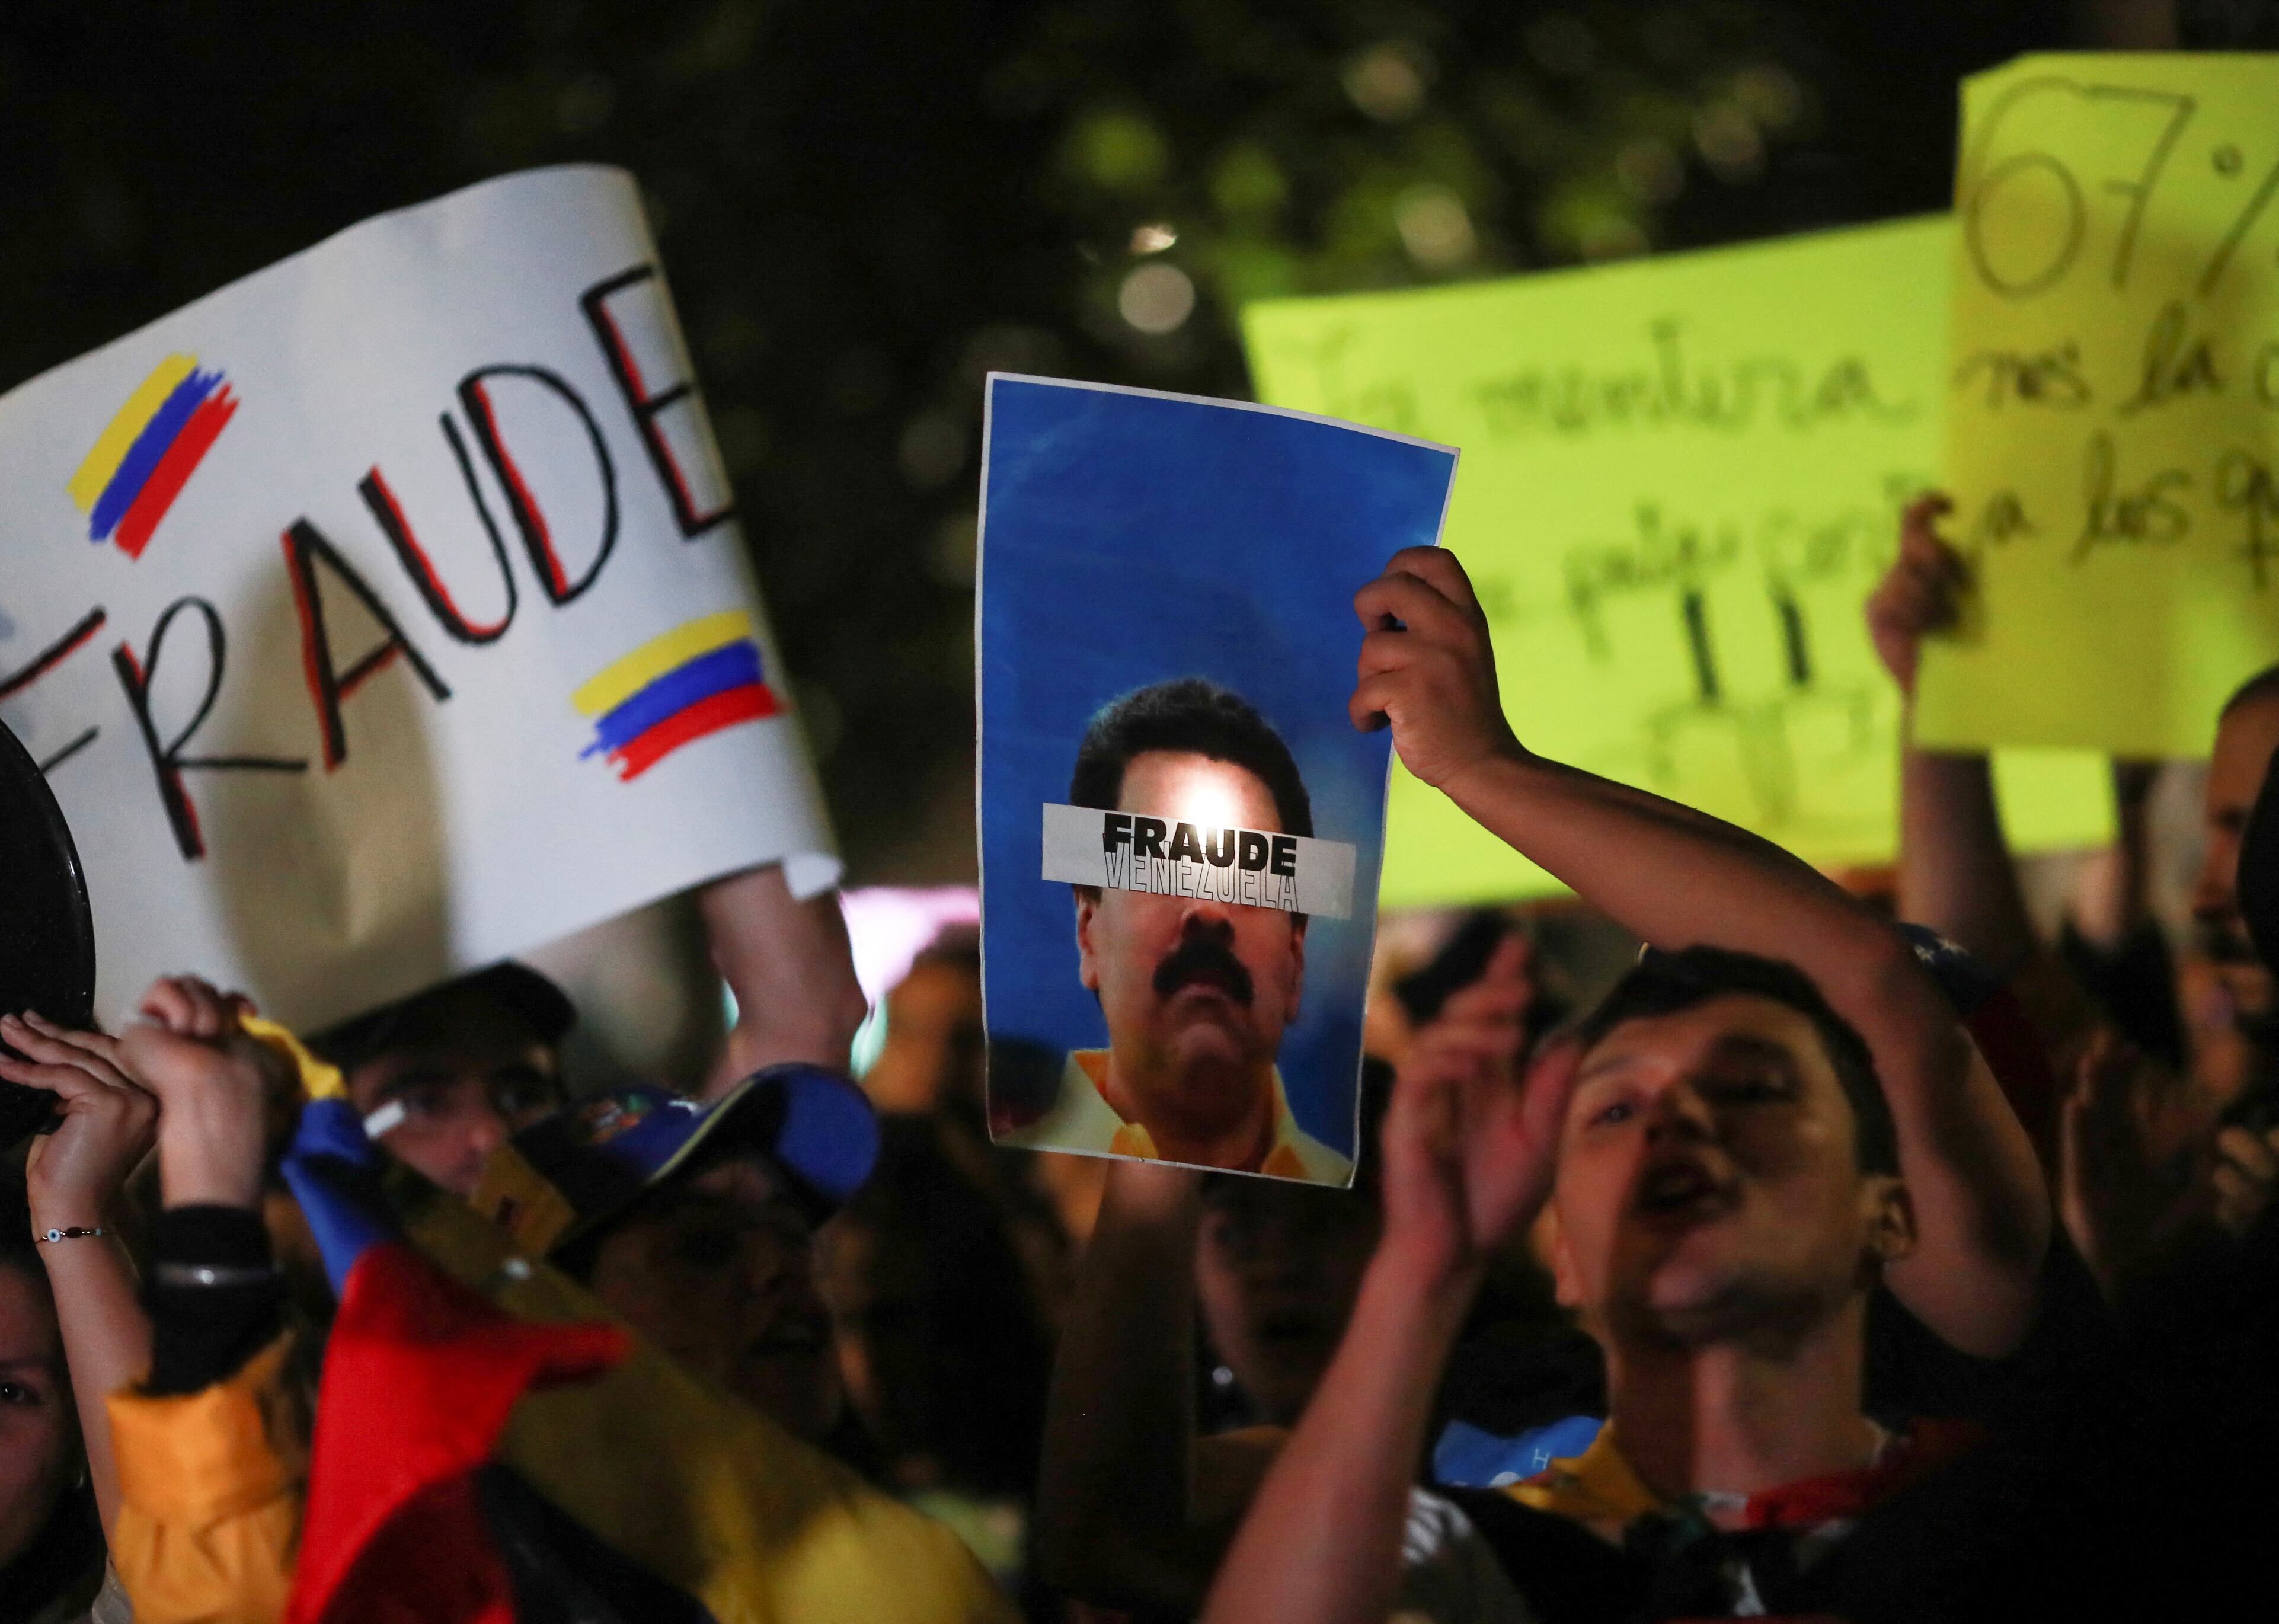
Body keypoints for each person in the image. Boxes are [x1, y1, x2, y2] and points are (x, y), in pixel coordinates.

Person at [95, 974, 1017, 1624]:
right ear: (536, 1318)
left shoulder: (919, 1562)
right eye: (702, 1249)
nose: (784, 1273)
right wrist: (200, 1173)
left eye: (791, 1234)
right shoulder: (456, 1576)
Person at [314, 862, 868, 1198]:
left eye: (520, 1095)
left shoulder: (644, 1290)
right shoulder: (266, 1344)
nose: (493, 1137)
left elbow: (804, 1022)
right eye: (421, 1105)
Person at [1000, 677, 1351, 1183]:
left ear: (1296, 962)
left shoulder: (1371, 1212)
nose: (1207, 910)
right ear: (1087, 934)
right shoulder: (1002, 1196)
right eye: (1157, 869)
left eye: (1250, 881)